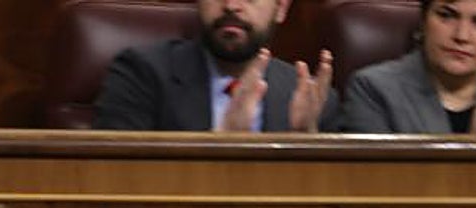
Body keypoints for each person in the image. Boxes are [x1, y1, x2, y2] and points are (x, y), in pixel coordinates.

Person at [93, 0, 338, 132]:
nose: (231, 5)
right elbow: (116, 179)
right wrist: (221, 144)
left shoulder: (310, 99)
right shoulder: (141, 73)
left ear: (281, 9)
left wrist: (305, 140)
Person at [340, 0, 476, 135]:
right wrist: (474, 146)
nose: (461, 36)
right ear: (423, 23)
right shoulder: (373, 89)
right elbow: (375, 187)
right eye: (446, 15)